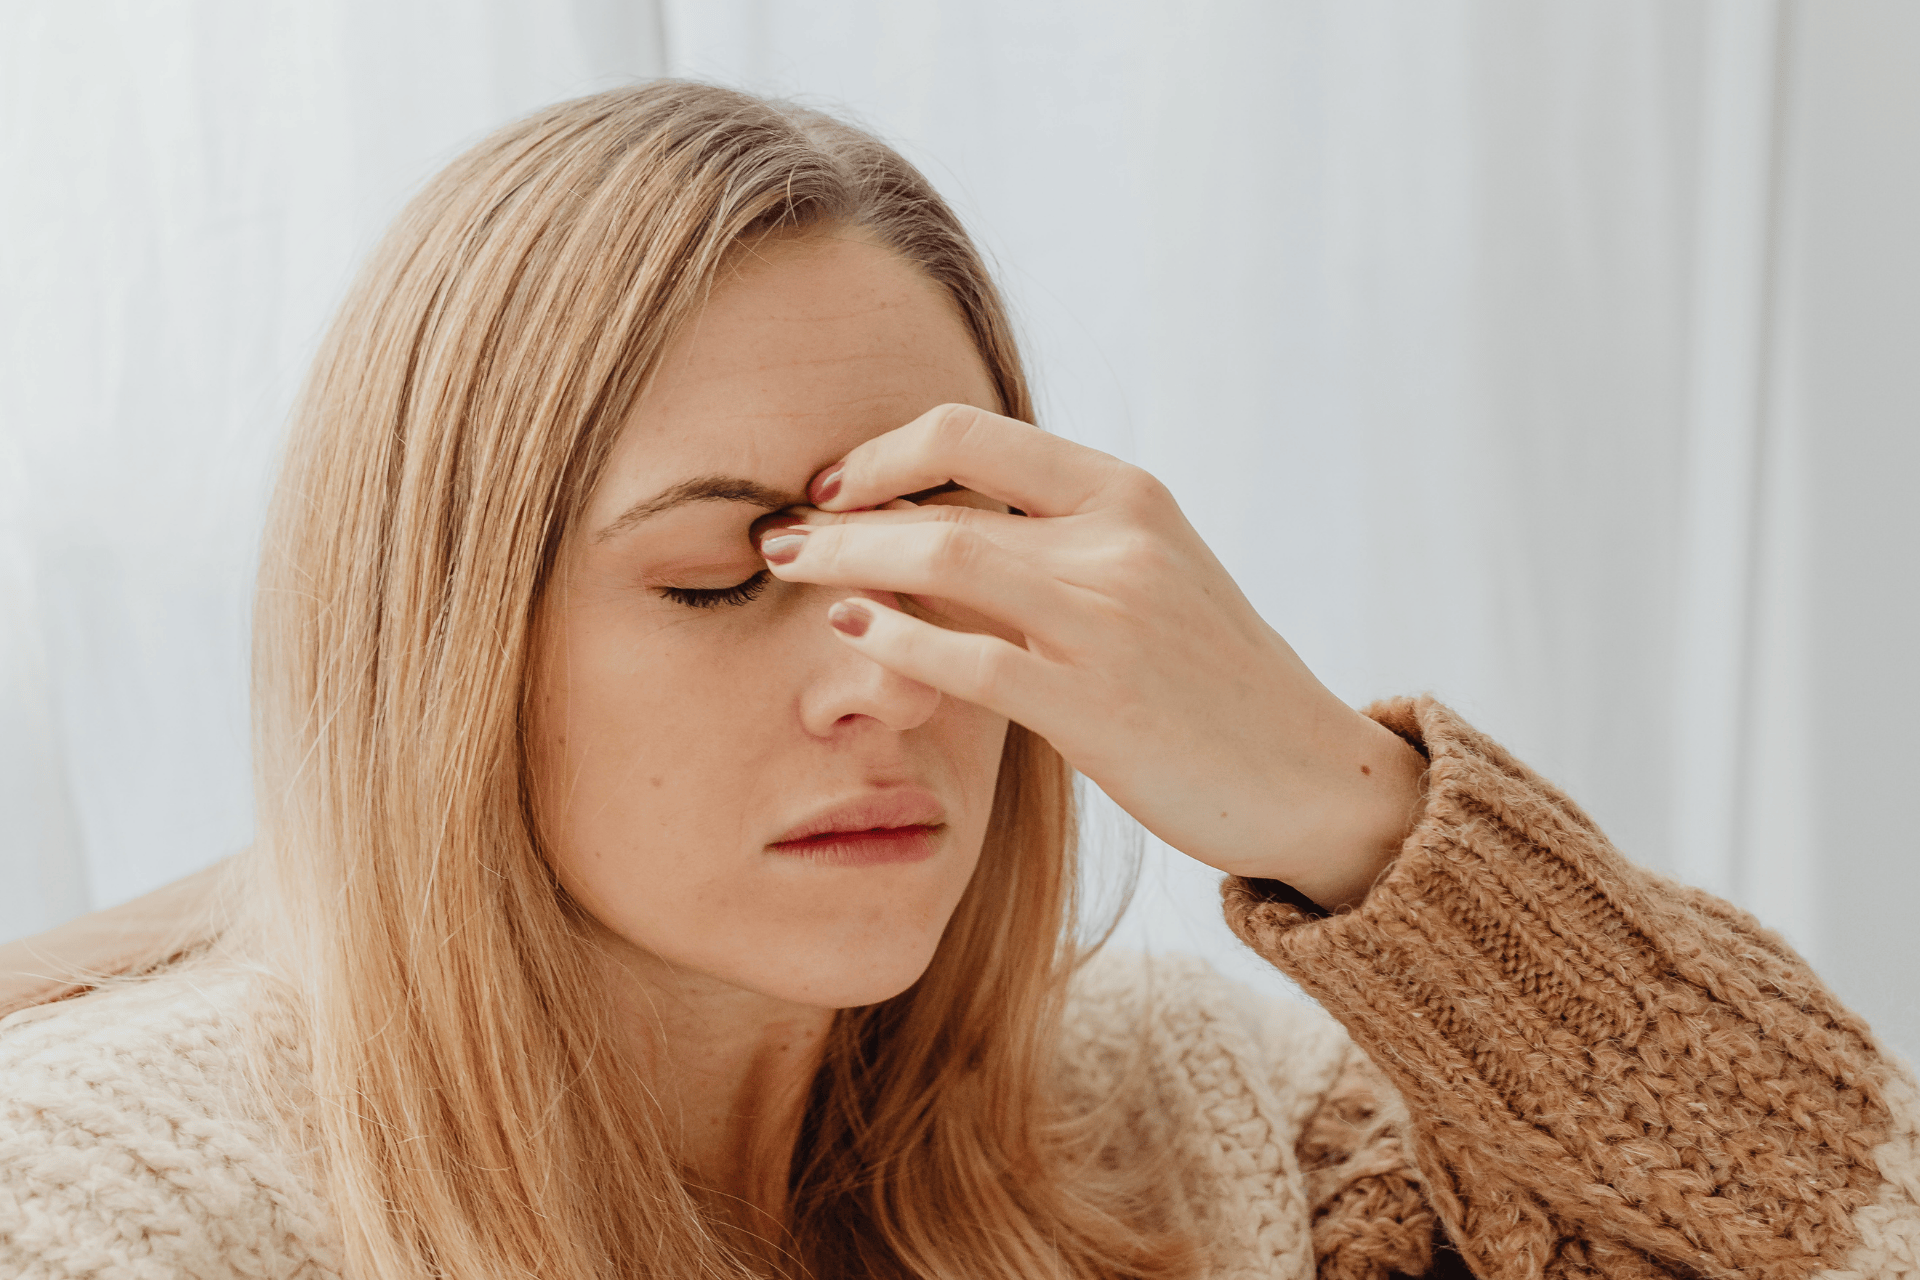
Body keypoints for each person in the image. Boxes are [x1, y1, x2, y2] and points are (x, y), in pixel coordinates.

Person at [0, 81, 1914, 1280]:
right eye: (717, 577)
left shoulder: (1216, 1128)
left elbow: (1862, 1225)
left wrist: (1348, 809)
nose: (890, 686)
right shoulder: (97, 1211)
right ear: (432, 646)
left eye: (941, 556)